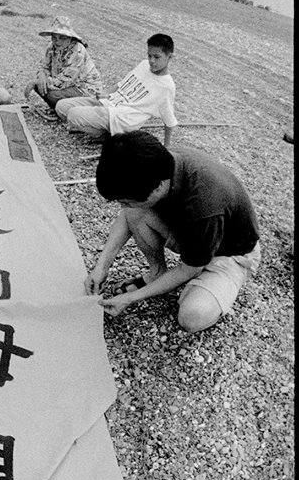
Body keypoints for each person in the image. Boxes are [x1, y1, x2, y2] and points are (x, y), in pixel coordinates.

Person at [84, 130, 261, 334]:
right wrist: (101, 267)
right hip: (193, 234)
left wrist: (131, 298)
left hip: (230, 253)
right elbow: (128, 215)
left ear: (158, 187)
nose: (123, 206)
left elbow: (190, 269)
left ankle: (213, 284)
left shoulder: (204, 203)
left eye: (126, 200)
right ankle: (156, 274)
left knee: (192, 316)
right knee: (135, 212)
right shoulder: (156, 163)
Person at [55, 33, 177, 146]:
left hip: (121, 117)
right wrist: (104, 93)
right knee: (61, 106)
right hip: (110, 102)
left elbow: (169, 120)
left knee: (72, 115)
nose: (151, 61)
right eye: (149, 55)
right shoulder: (144, 64)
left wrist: (166, 147)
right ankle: (100, 127)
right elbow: (122, 84)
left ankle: (108, 134)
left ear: (169, 57)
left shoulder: (166, 86)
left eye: (157, 57)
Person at [23, 15, 102, 121]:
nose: (57, 41)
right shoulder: (51, 47)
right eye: (54, 37)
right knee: (41, 85)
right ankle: (57, 109)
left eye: (62, 38)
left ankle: (64, 111)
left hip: (84, 89)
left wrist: (38, 81)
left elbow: (65, 81)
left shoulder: (78, 52)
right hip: (66, 86)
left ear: (69, 37)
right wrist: (41, 76)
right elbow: (43, 66)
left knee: (49, 92)